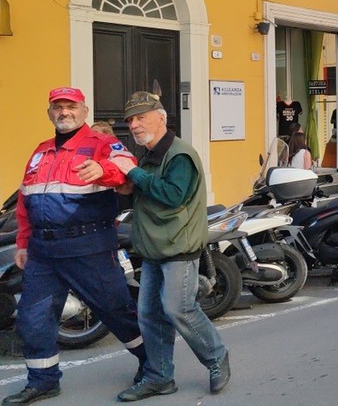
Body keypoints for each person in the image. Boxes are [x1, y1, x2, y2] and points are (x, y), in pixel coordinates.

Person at [5, 87, 149, 406]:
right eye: (58, 107)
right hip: (43, 251)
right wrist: (23, 242)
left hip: (89, 246)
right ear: (49, 113)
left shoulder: (101, 144)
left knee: (116, 309)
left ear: (84, 111)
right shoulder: (41, 151)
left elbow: (126, 170)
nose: (64, 112)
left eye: (71, 106)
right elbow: (26, 200)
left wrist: (104, 170)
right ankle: (42, 381)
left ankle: (151, 362)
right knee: (32, 318)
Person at [110, 91, 229, 401]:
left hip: (178, 247)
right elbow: (147, 194)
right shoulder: (149, 154)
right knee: (149, 314)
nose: (134, 125)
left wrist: (133, 173)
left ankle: (217, 359)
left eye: (141, 117)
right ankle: (160, 376)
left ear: (161, 118)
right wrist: (128, 187)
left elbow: (173, 195)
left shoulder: (179, 155)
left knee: (179, 309)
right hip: (153, 248)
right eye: (130, 120)